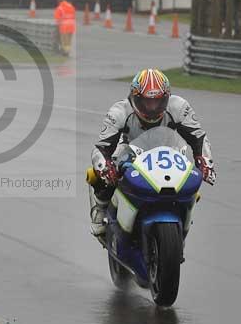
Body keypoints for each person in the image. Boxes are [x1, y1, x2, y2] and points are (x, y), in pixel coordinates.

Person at [87, 68, 216, 236]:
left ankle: (183, 208)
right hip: (128, 149)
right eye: (147, 102)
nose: (152, 108)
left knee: (190, 177)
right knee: (100, 174)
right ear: (134, 98)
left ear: (167, 98)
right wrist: (106, 167)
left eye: (158, 102)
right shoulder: (119, 112)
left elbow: (199, 137)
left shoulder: (179, 107)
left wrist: (205, 160)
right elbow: (101, 148)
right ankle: (101, 208)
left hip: (167, 149)